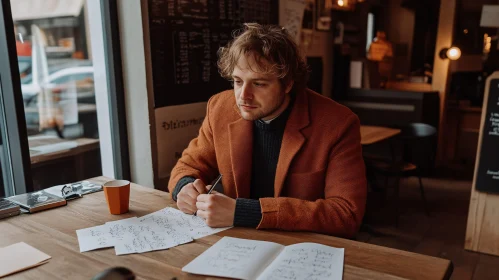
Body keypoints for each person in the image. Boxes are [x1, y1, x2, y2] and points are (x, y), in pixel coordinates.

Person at [168, 23, 367, 238]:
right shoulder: (220, 108)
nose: (243, 96)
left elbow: (346, 214)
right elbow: (187, 166)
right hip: (238, 244)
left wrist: (245, 212)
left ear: (288, 83)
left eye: (259, 84)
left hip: (303, 247)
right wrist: (185, 188)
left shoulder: (338, 124)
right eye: (237, 81)